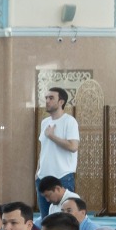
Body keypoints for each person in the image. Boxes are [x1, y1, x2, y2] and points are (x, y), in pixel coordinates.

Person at [37, 86, 79, 214]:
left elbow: (73, 146)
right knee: (46, 219)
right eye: (46, 98)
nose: (47, 101)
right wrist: (37, 172)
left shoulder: (70, 121)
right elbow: (43, 149)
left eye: (51, 98)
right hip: (42, 177)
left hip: (62, 177)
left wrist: (52, 136)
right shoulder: (45, 122)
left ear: (61, 102)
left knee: (63, 219)